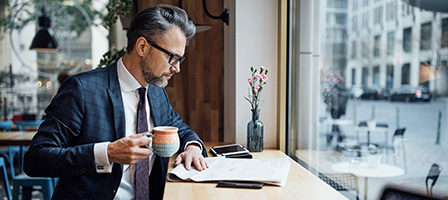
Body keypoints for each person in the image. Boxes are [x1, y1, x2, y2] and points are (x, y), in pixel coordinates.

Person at [24, 5, 208, 200]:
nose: (176, 68)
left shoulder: (156, 92)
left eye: (181, 59)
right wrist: (108, 153)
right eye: (172, 57)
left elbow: (180, 129)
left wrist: (193, 147)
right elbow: (36, 159)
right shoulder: (82, 90)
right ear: (142, 47)